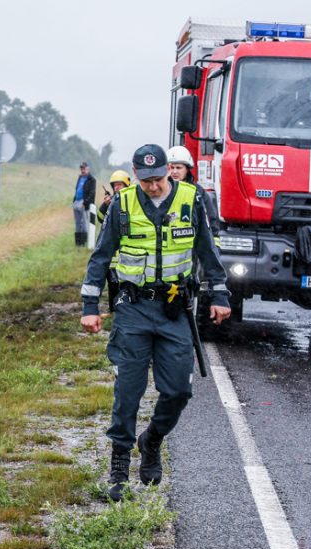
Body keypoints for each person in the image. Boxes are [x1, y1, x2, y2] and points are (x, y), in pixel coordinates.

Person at [80, 144, 231, 502]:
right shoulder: (123, 204)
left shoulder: (191, 200)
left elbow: (207, 251)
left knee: (179, 390)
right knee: (128, 393)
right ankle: (119, 467)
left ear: (169, 171)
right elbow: (101, 257)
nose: (153, 186)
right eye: (146, 180)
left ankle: (153, 441)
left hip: (173, 311)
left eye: (159, 178)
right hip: (132, 310)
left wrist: (220, 294)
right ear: (135, 175)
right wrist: (89, 305)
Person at [167, 145, 221, 245]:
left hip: (192, 251)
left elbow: (211, 223)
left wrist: (213, 250)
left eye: (178, 168)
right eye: (171, 168)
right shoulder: (160, 192)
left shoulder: (198, 193)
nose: (174, 171)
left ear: (187, 169)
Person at [96, 170, 132, 311]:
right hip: (113, 251)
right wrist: (105, 205)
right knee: (111, 280)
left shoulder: (132, 201)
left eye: (120, 184)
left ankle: (125, 310)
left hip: (127, 249)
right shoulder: (111, 202)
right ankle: (113, 310)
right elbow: (100, 218)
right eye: (115, 185)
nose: (117, 188)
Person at [72, 162, 96, 247]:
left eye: (84, 168)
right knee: (77, 223)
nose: (82, 170)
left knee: (84, 223)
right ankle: (78, 243)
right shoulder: (80, 177)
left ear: (88, 169)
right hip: (76, 202)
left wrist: (85, 203)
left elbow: (92, 193)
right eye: (81, 169)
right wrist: (74, 200)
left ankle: (83, 242)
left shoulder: (92, 180)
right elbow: (77, 189)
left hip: (84, 203)